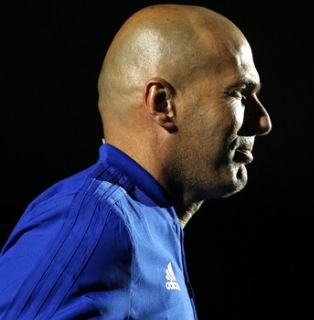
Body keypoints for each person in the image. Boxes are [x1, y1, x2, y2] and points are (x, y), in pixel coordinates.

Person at [0, 4, 271, 319]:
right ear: (163, 103)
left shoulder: (146, 224)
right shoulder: (93, 223)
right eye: (238, 93)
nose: (262, 121)